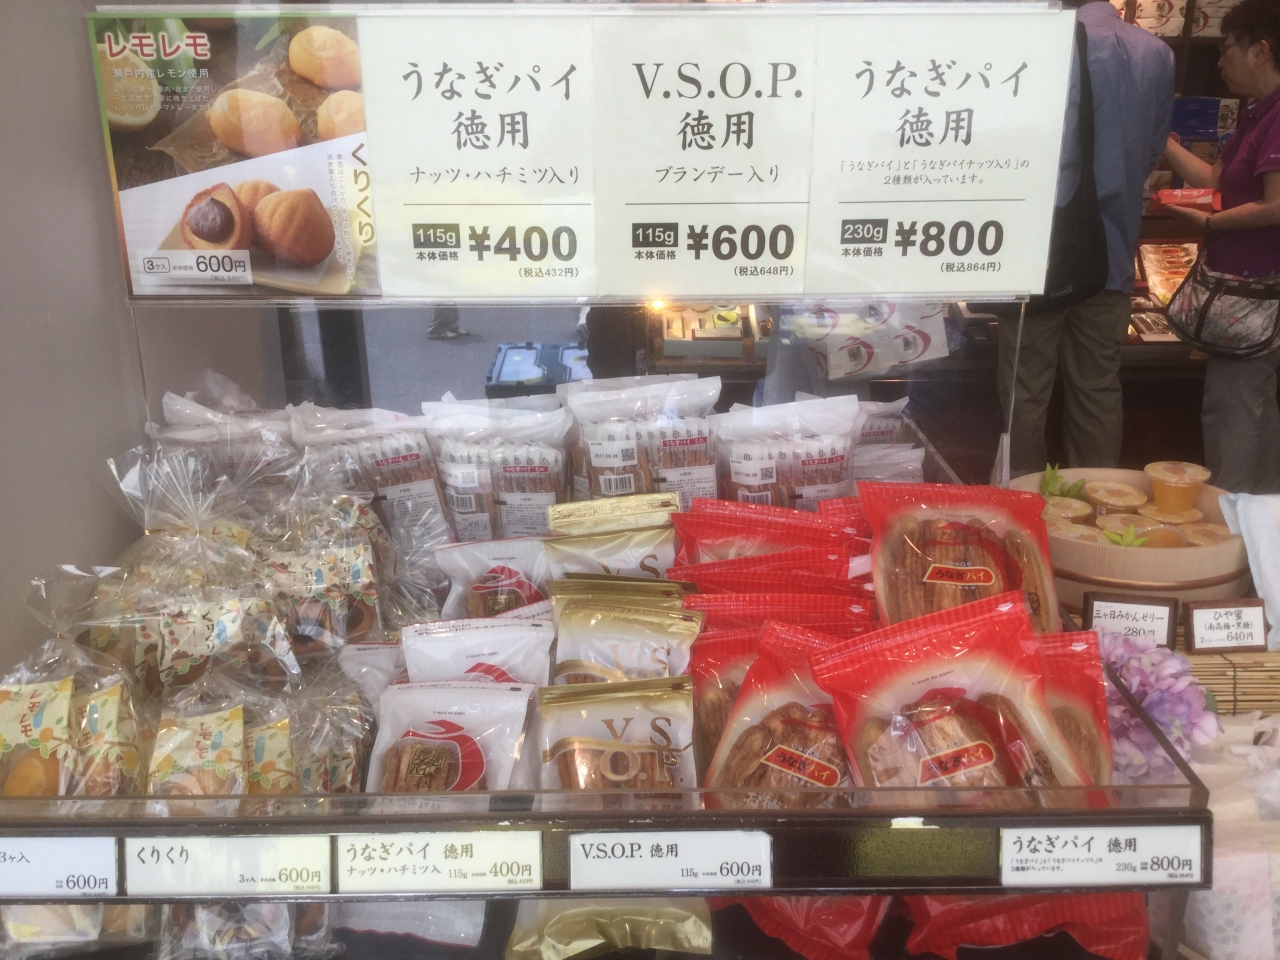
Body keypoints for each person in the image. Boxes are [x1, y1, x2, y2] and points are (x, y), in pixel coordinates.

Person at [999, 0, 1175, 475]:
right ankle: (1099, 503)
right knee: (1097, 388)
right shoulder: (1157, 53)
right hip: (1113, 252)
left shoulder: (1039, 45)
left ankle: (1026, 503)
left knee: (1024, 394)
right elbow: (1154, 150)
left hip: (1040, 255)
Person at [1161, 0, 1280, 494]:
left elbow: (1276, 204)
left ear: (1260, 51)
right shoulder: (1256, 113)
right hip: (1240, 294)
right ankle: (1263, 522)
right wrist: (1163, 141)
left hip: (1254, 295)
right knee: (1256, 410)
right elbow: (1215, 180)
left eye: (1228, 47)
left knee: (1233, 411)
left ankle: (1231, 521)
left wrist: (1211, 223)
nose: (1220, 59)